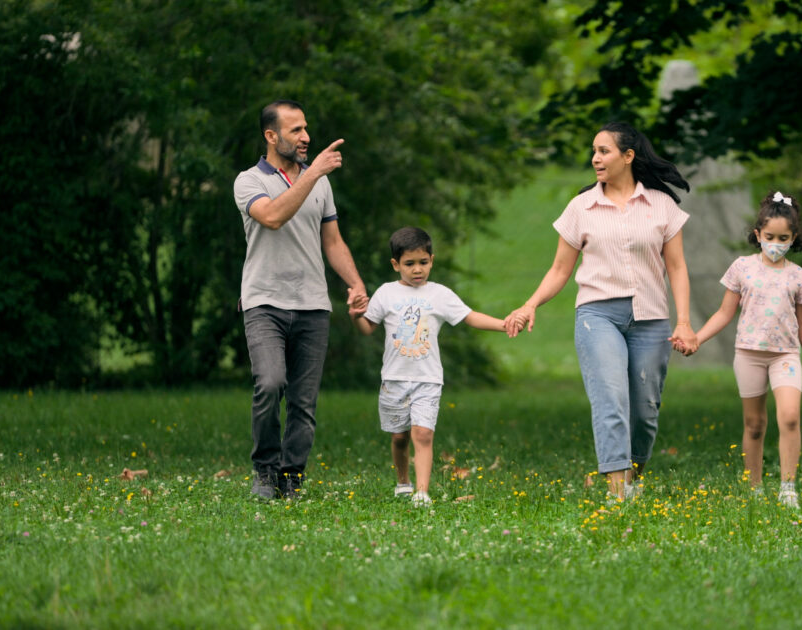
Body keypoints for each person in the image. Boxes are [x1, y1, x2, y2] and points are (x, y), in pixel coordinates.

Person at [505, 122, 698, 503]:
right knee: (611, 400)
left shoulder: (661, 205)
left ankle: (632, 477)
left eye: (604, 151)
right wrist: (530, 304)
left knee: (644, 412)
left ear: (628, 156)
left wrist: (685, 322)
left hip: (651, 319)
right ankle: (616, 494)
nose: (595, 158)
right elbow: (560, 269)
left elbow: (676, 267)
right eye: (594, 151)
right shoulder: (581, 207)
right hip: (598, 317)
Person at [233, 99, 369, 501]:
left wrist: (356, 284)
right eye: (296, 130)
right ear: (271, 136)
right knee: (270, 383)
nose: (306, 136)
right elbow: (273, 217)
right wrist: (314, 175)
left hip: (313, 305)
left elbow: (333, 241)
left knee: (303, 402)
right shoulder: (249, 181)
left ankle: (291, 477)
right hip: (264, 303)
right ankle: (265, 470)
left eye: (306, 128)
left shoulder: (318, 182)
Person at [349, 227, 507, 507]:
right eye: (409, 263)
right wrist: (355, 316)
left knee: (422, 434)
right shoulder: (386, 293)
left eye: (423, 262)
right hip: (394, 379)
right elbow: (367, 327)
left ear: (432, 260)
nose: (417, 269)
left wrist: (503, 324)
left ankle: (422, 492)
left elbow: (469, 317)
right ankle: (403, 483)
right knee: (399, 437)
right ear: (396, 264)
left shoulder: (440, 294)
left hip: (428, 379)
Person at [692, 191, 802, 508]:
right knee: (754, 425)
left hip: (785, 356)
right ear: (758, 234)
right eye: (770, 237)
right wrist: (697, 338)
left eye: (783, 238)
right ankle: (754, 488)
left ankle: (788, 488)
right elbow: (724, 313)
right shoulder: (742, 267)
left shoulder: (798, 276)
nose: (776, 243)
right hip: (749, 355)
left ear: (793, 238)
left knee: (790, 417)